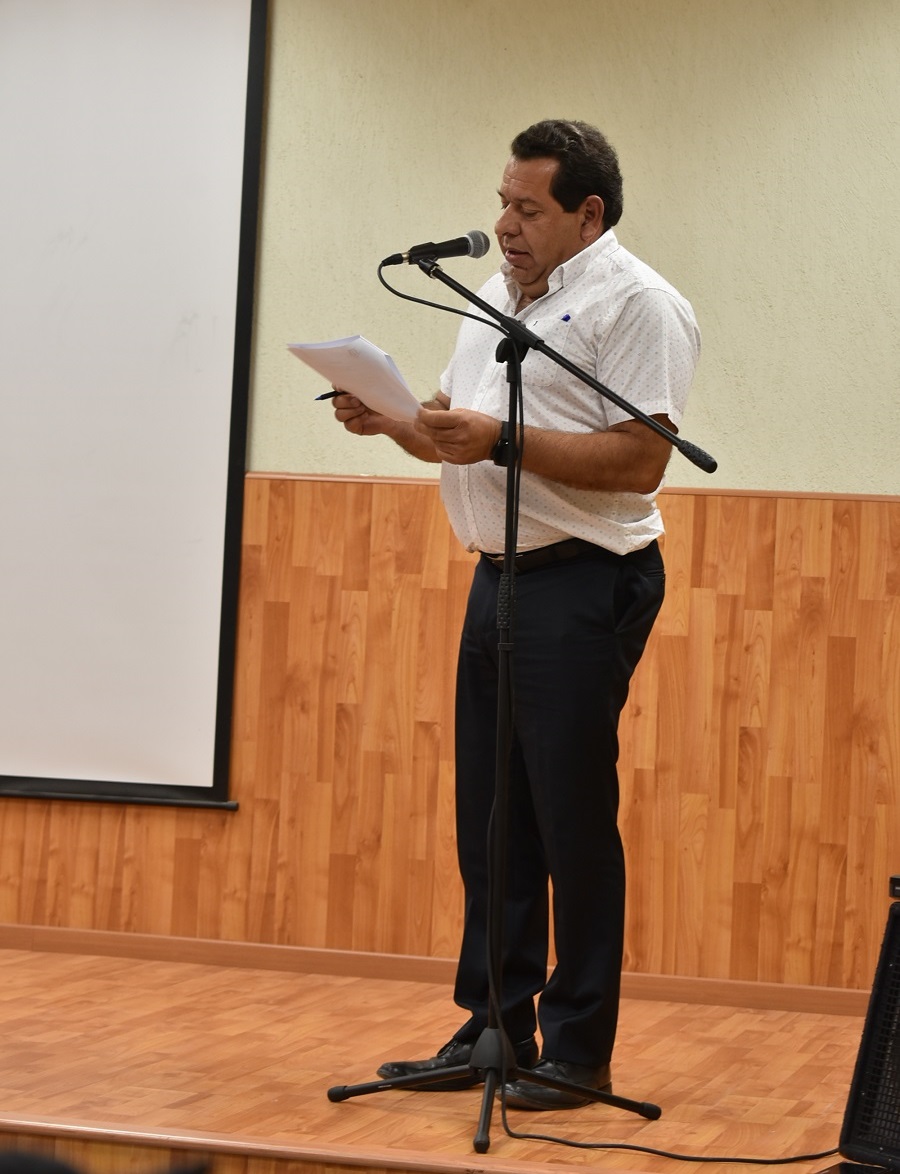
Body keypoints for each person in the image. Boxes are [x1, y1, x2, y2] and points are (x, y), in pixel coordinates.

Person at [332, 119, 700, 1110]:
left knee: (568, 818)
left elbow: (642, 459)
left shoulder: (639, 304)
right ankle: (494, 1023)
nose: (504, 225)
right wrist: (395, 420)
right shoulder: (495, 296)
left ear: (589, 213)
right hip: (498, 573)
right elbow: (458, 432)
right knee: (492, 817)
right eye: (502, 202)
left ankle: (579, 1049)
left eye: (527, 208)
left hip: (586, 578)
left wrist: (499, 439)